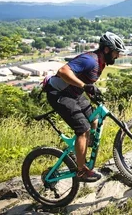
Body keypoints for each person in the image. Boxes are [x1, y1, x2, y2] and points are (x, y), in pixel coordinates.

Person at [45, 32, 126, 182]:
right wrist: (85, 86)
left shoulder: (101, 63)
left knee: (94, 120)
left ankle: (78, 153)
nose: (117, 56)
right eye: (116, 52)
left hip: (74, 93)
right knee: (83, 129)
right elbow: (63, 72)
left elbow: (84, 82)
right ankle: (81, 171)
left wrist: (92, 93)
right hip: (59, 94)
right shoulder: (89, 60)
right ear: (107, 50)